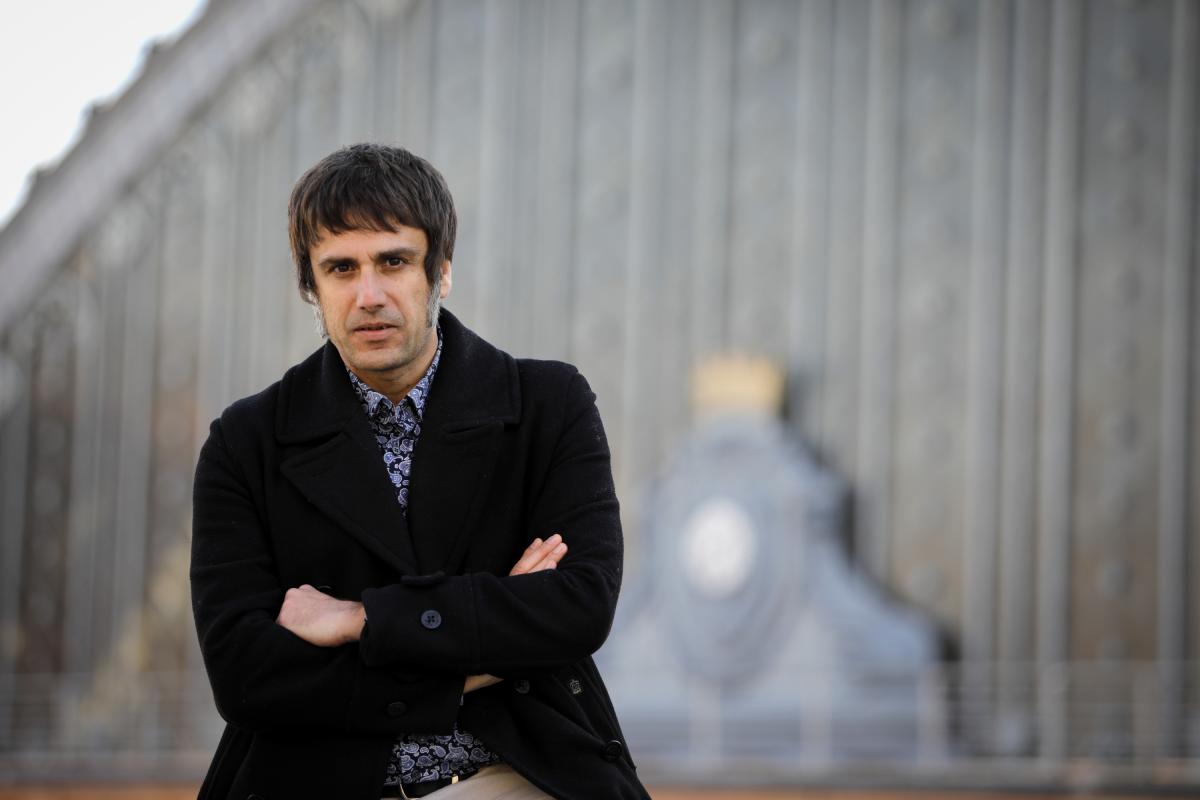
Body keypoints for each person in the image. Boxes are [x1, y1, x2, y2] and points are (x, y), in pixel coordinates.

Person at [190, 144, 648, 800]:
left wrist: (361, 620)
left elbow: (579, 606)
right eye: (341, 268)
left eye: (393, 261)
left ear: (442, 270)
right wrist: (480, 652)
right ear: (310, 287)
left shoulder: (548, 406)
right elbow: (245, 677)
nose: (369, 295)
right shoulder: (246, 443)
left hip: (516, 774)